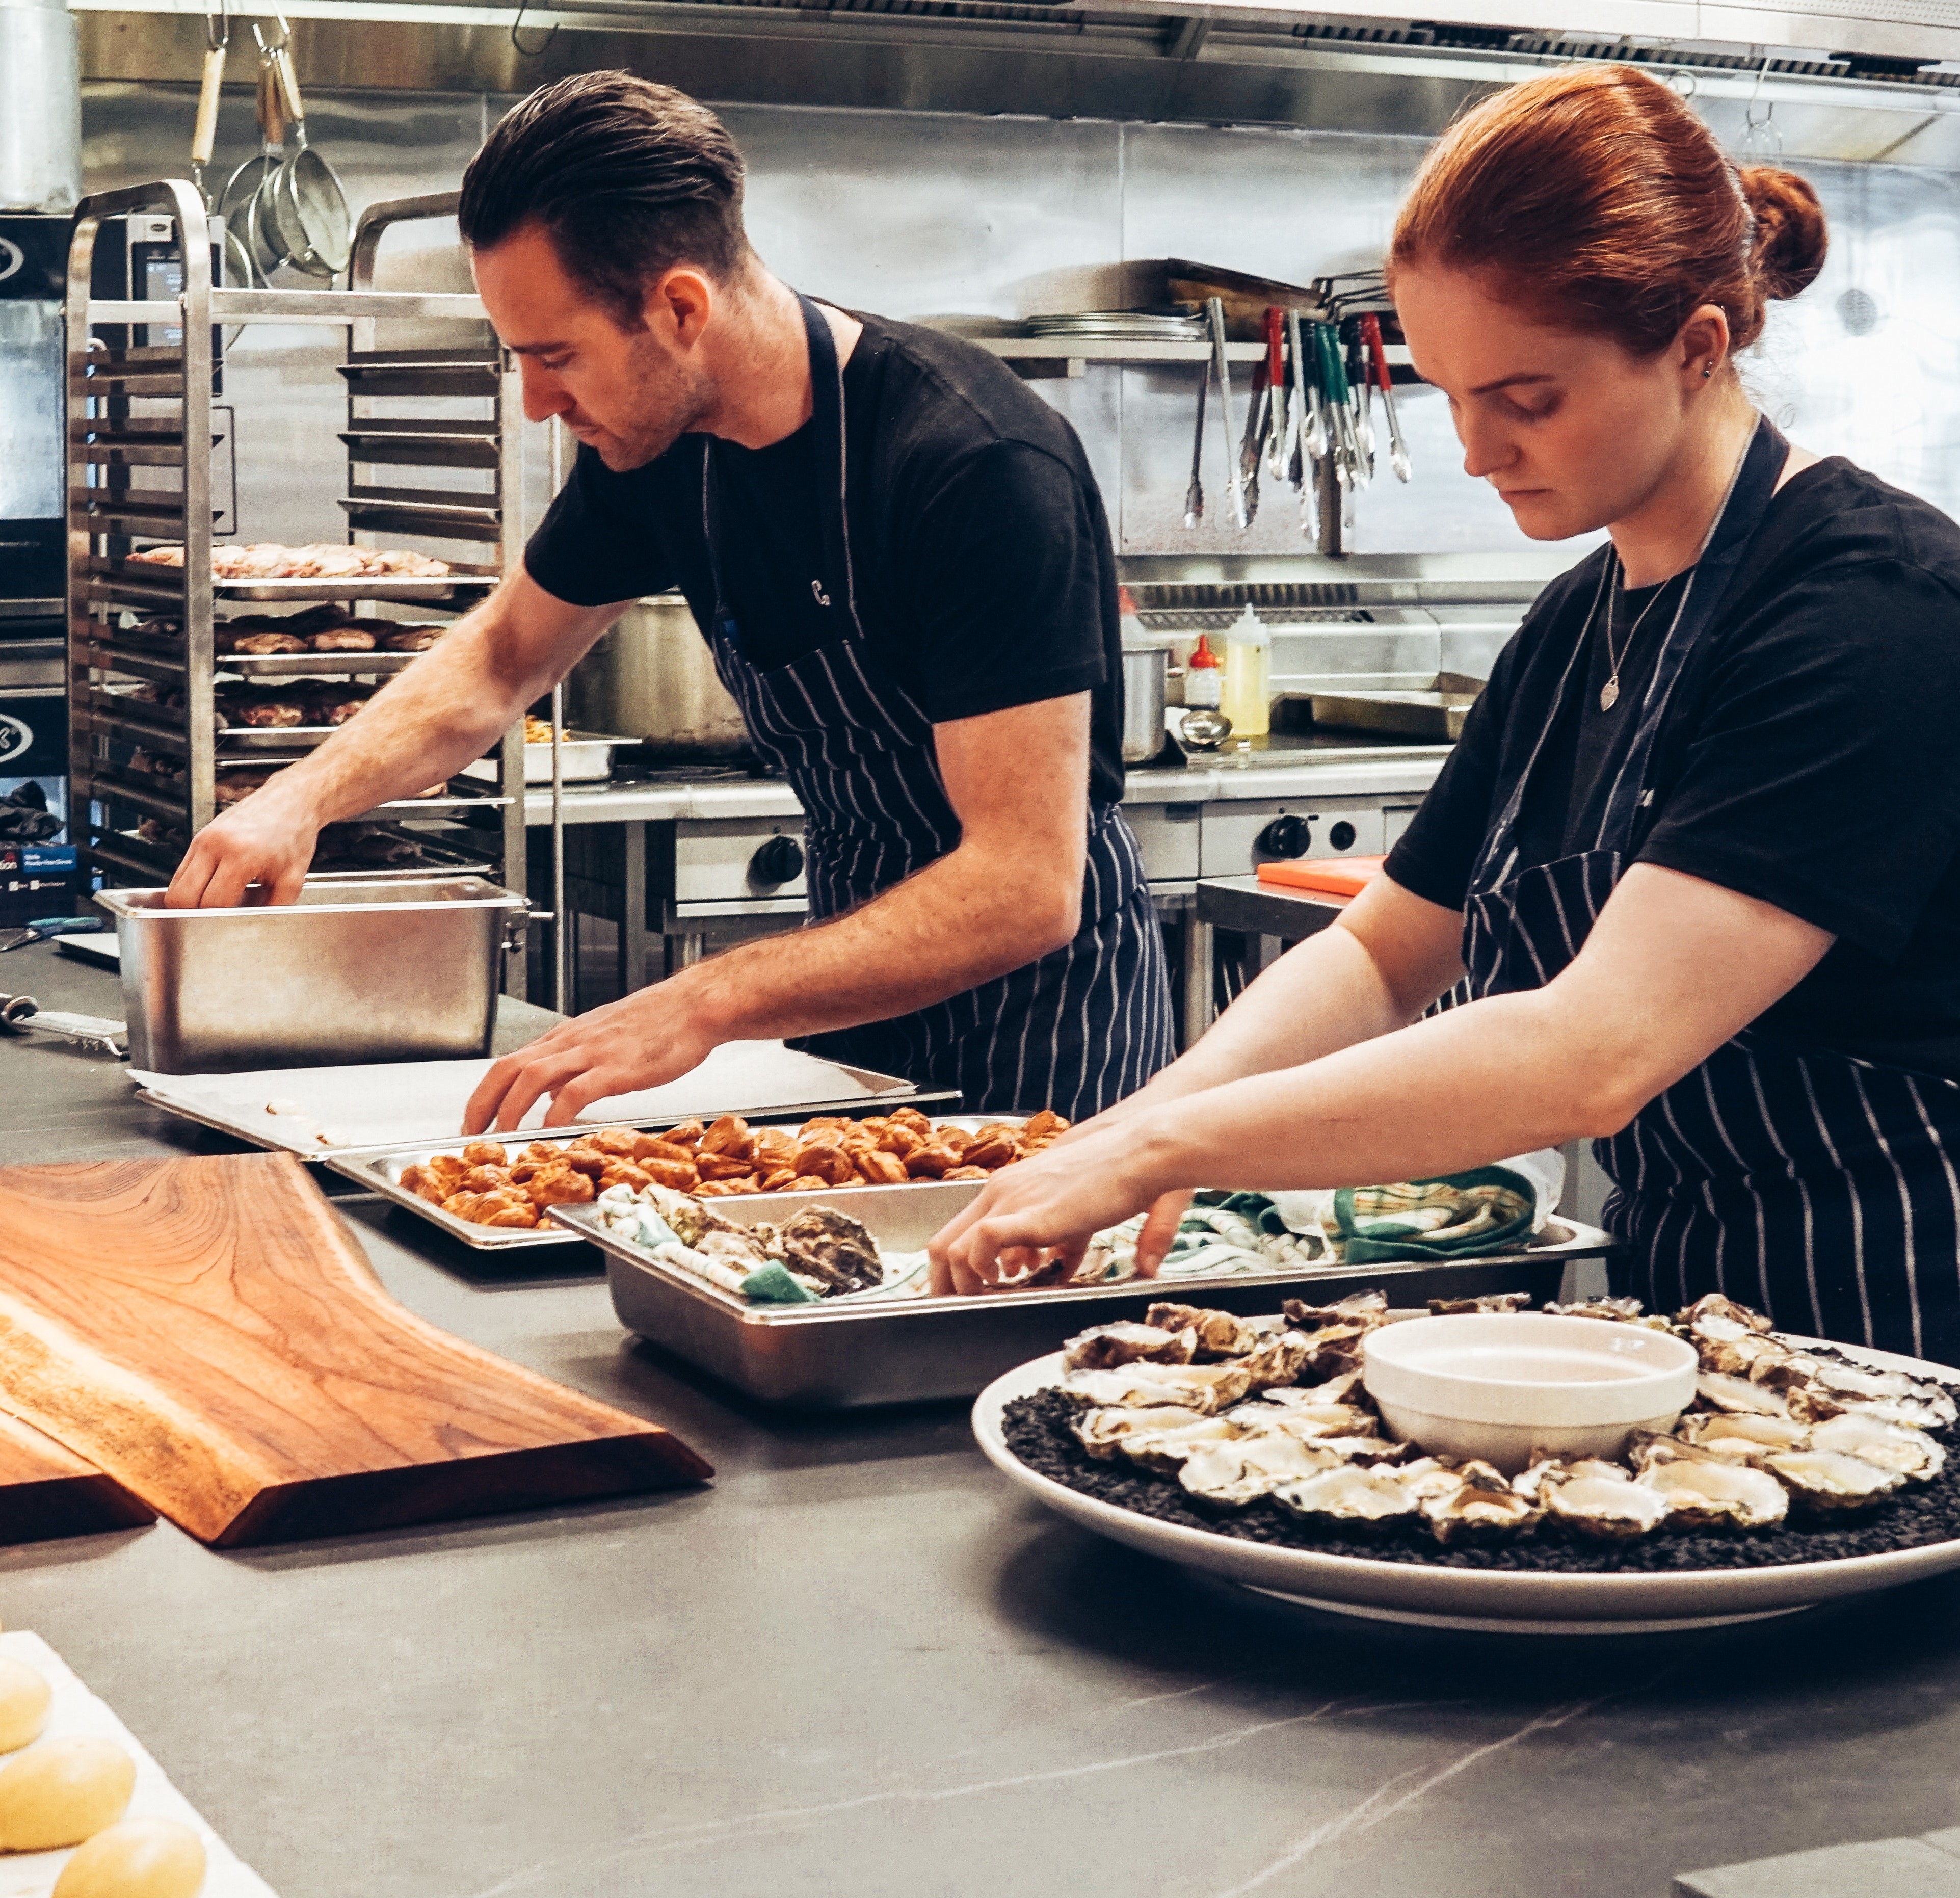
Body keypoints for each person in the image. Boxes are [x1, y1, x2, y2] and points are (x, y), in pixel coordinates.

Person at [930, 63, 1960, 1366]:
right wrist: (1142, 1122)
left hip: (1906, 1317)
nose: (1478, 452)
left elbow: (1595, 1050)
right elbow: (1384, 955)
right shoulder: (1579, 618)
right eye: (1452, 394)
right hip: (1697, 1317)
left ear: (1697, 347)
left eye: (1528, 399)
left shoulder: (1876, 609)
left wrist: (1167, 1145)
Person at [165, 72, 1173, 1128]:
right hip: (850, 997)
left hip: (1048, 1034)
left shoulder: (972, 463)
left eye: (557, 357)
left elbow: (1022, 885)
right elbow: (505, 656)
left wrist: (704, 1000)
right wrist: (299, 798)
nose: (539, 402)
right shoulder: (661, 451)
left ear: (681, 307)